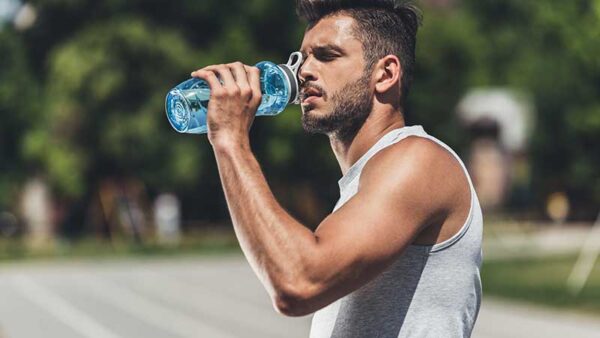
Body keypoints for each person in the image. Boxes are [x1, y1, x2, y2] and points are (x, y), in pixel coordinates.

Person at [190, 0, 482, 336]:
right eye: (302, 58)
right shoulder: (362, 184)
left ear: (385, 74)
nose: (304, 71)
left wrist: (230, 141)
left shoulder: (419, 160)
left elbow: (298, 282)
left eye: (327, 56)